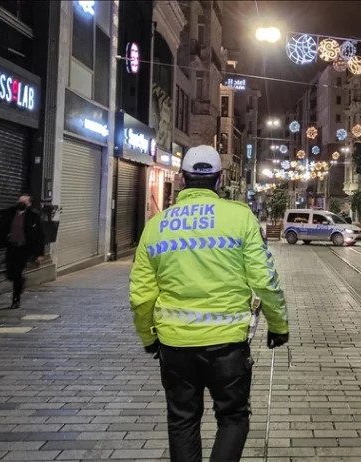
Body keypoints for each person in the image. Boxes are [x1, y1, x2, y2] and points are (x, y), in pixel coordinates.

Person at [129, 145, 290, 462]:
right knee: (233, 417)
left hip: (174, 345)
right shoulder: (240, 218)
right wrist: (278, 326)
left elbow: (141, 294)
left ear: (182, 179)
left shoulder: (156, 226)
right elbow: (265, 280)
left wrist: (149, 338)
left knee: (182, 420)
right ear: (219, 180)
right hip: (227, 345)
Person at [0, 193, 45, 310]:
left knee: (17, 272)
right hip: (11, 247)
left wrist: (39, 253)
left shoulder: (33, 217)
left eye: (24, 202)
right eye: (20, 201)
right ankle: (20, 280)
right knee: (10, 273)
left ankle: (15, 299)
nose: (21, 203)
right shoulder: (9, 214)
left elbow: (39, 236)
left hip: (24, 249)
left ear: (29, 204)